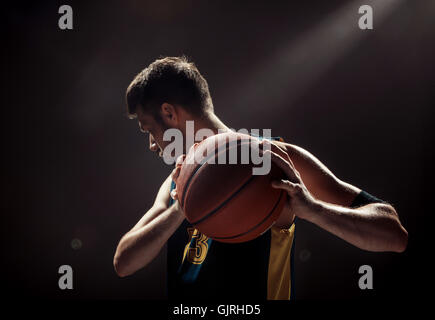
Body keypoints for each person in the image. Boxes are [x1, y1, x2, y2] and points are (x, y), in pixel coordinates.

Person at [113, 56, 408, 300]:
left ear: (169, 112)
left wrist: (316, 210)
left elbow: (393, 233)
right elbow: (123, 262)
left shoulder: (273, 160)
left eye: (149, 129)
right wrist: (180, 209)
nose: (152, 144)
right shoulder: (176, 183)